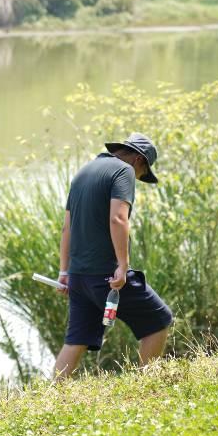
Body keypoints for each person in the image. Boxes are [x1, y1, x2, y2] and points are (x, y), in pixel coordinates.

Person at [53, 133, 173, 380]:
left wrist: (64, 272)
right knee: (159, 319)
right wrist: (123, 266)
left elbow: (67, 227)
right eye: (143, 174)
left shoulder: (83, 172)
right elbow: (118, 218)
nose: (138, 179)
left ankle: (50, 394)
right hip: (105, 275)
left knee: (76, 338)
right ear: (139, 160)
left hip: (78, 275)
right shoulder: (123, 172)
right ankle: (146, 384)